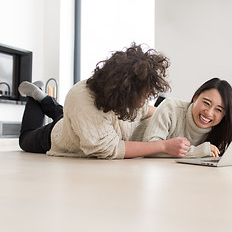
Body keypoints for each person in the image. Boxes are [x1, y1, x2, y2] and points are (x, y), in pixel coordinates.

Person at [18, 43, 191, 159]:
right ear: (126, 91)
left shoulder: (128, 96)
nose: (147, 99)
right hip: (58, 136)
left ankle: (44, 97)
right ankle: (34, 97)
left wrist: (171, 116)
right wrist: (163, 146)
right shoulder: (82, 101)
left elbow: (146, 110)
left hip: (76, 122)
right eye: (145, 95)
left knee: (64, 115)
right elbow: (111, 148)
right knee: (26, 139)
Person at [131, 78, 232, 157]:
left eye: (219, 110)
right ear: (195, 97)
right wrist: (197, 151)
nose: (209, 113)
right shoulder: (171, 108)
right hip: (129, 161)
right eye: (206, 103)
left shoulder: (220, 130)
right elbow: (150, 148)